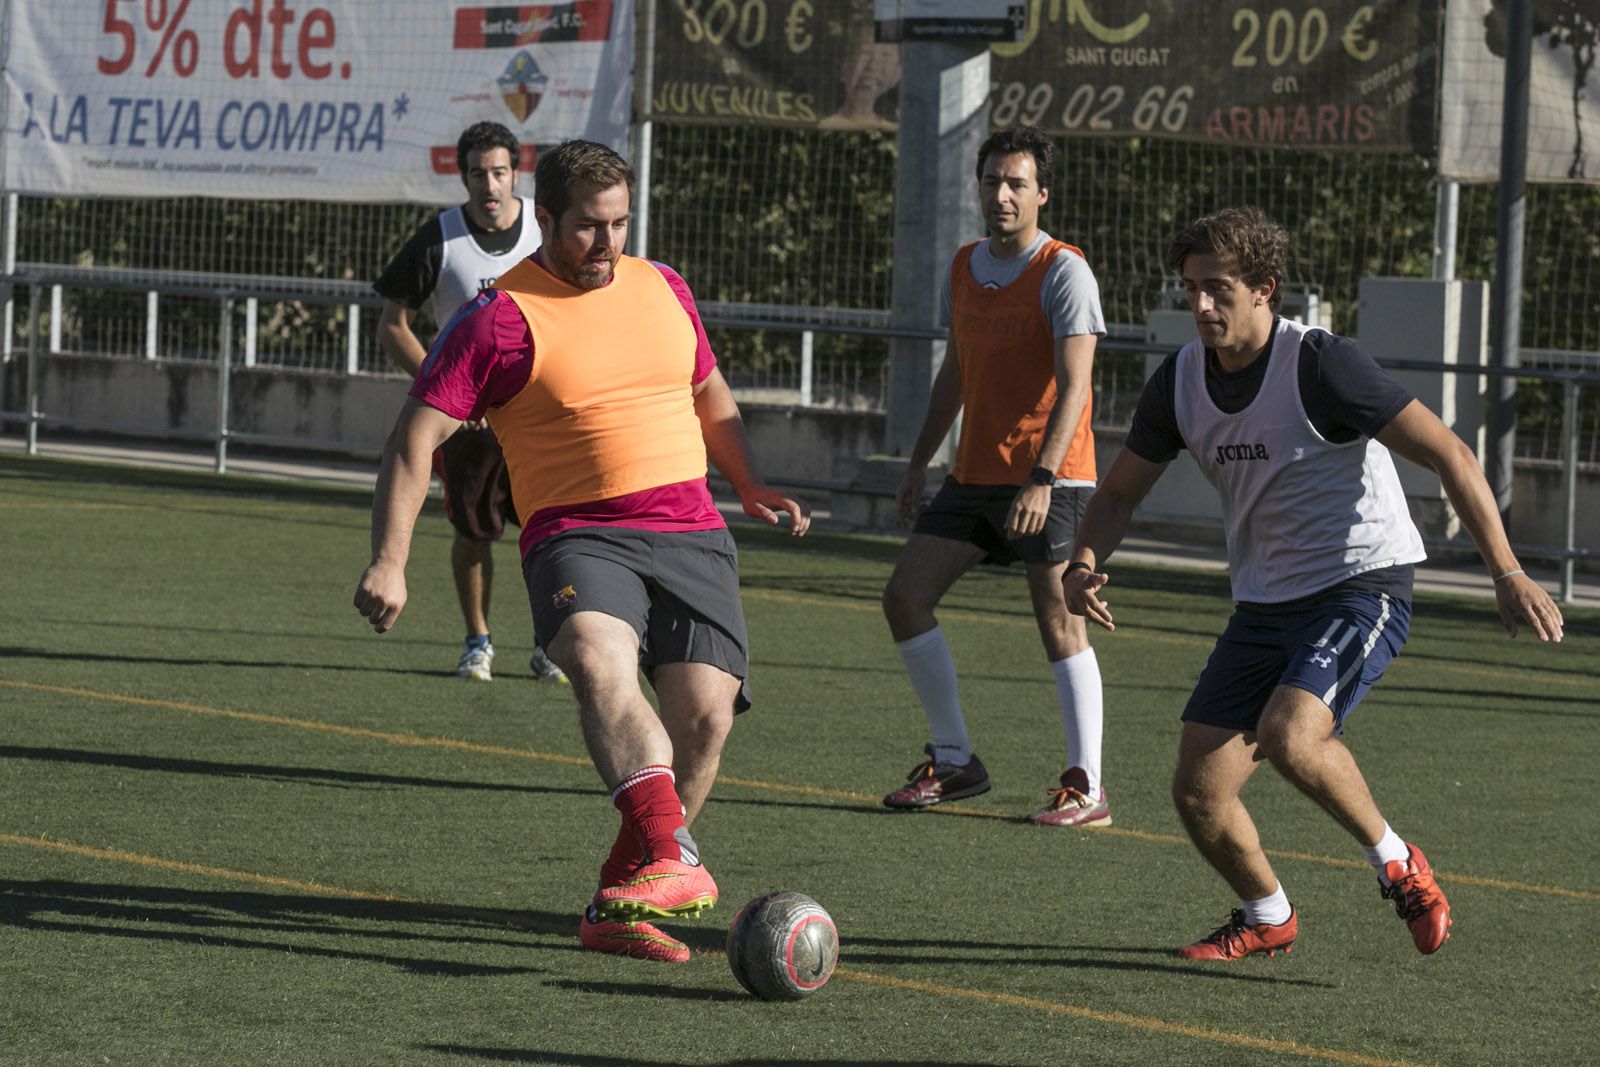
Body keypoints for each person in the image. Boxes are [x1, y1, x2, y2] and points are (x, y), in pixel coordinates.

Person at [1064, 206, 1565, 960]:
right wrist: (1082, 561)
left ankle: (1399, 863)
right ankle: (1267, 914)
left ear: (1265, 289)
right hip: (1264, 600)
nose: (1200, 305)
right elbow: (1118, 494)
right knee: (1198, 790)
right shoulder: (1180, 381)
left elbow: (1452, 454)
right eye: (1191, 288)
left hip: (1361, 584)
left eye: (1219, 289)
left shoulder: (1321, 365)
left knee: (1292, 735)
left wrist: (1508, 570)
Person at [353, 139, 811, 965]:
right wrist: (389, 559)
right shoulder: (499, 317)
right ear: (548, 220)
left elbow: (709, 391)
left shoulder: (664, 285)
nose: (608, 245)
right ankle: (672, 854)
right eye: (588, 229)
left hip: (693, 530)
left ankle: (619, 900)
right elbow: (412, 438)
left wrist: (750, 482)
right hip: (577, 533)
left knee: (705, 717)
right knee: (598, 658)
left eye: (621, 224)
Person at [880, 125, 1112, 828]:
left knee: (1057, 613)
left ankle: (1087, 785)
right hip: (974, 473)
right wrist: (920, 461)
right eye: (991, 181)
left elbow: (1077, 384)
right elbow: (957, 371)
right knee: (904, 597)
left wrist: (1042, 476)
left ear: (1042, 193)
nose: (1002, 194)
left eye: (1016, 183)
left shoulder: (1064, 270)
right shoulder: (964, 265)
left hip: (1053, 476)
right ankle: (955, 759)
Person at [372, 120, 566, 685]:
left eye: (500, 172)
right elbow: (392, 325)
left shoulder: (544, 228)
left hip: (536, 420)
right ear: (463, 177)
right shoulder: (439, 238)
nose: (490, 184)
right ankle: (477, 641)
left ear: (516, 174)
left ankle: (549, 644)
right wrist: (447, 391)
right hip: (471, 430)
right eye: (478, 173)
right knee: (473, 532)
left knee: (551, 533)